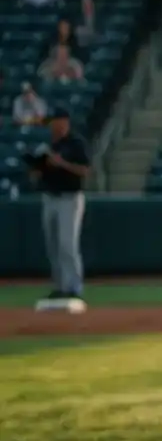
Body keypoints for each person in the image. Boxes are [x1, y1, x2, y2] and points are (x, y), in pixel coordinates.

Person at [27, 109, 91, 304]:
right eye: (52, 122)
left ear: (65, 122)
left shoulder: (76, 143)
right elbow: (36, 175)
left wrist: (62, 163)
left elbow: (86, 170)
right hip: (50, 198)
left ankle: (74, 287)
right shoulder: (48, 145)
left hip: (69, 199)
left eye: (57, 121)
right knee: (53, 245)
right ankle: (60, 286)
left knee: (67, 244)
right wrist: (36, 169)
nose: (54, 125)